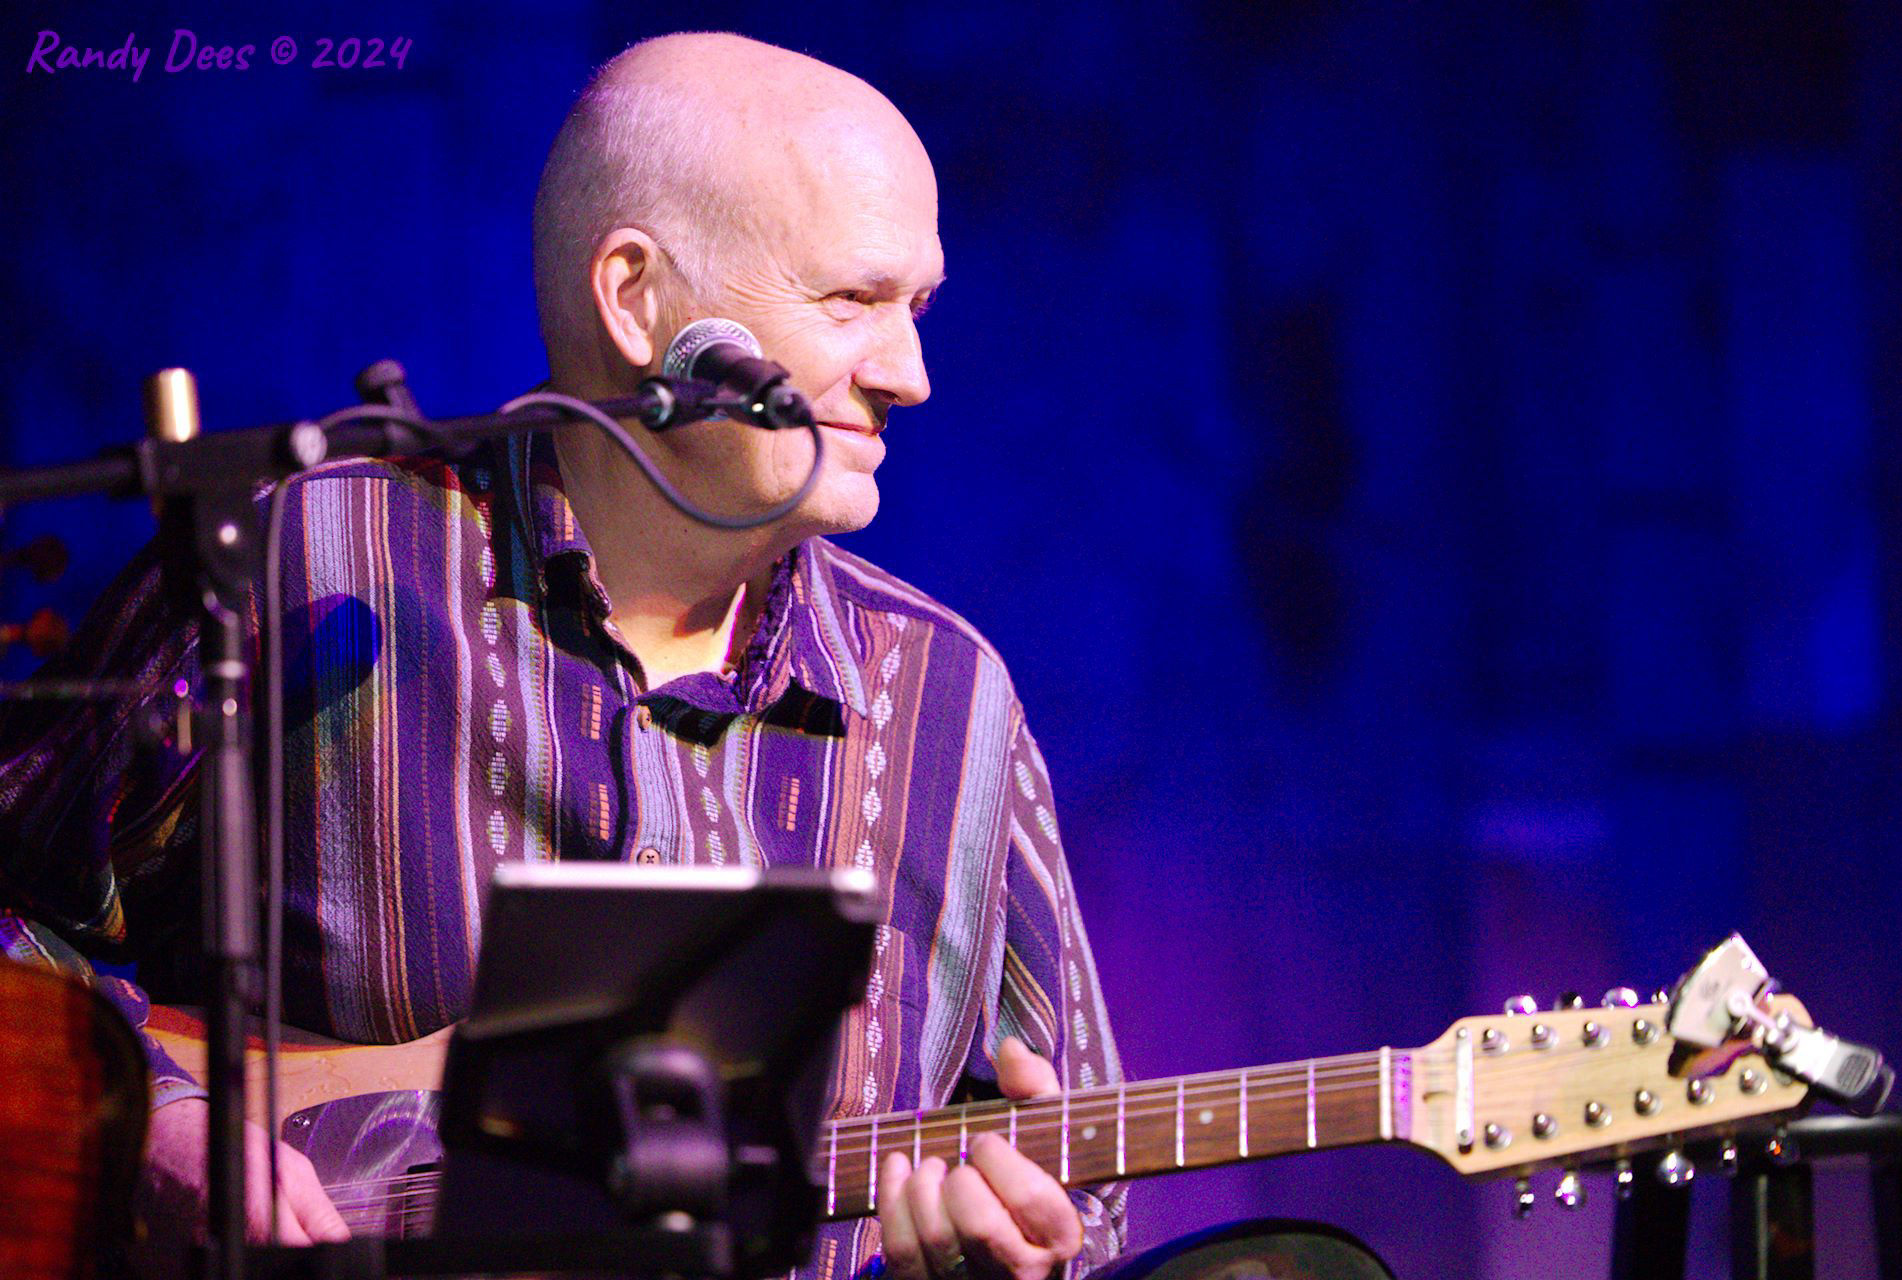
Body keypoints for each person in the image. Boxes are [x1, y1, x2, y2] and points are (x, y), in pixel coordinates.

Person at [0, 32, 1125, 1280]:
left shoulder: (951, 699)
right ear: (637, 299)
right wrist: (151, 1117)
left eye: (918, 306)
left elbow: (1086, 1202)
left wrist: (1022, 1255)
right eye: (853, 300)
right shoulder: (309, 559)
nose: (911, 374)